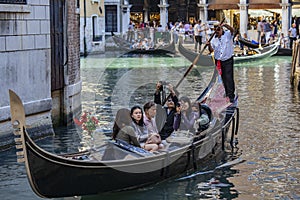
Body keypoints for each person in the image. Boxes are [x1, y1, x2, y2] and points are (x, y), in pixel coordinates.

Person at [207, 22, 236, 103]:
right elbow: (211, 50)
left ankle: (230, 95)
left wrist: (225, 25)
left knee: (229, 78)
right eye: (215, 30)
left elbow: (232, 30)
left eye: (218, 29)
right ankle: (226, 93)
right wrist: (208, 45)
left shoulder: (228, 34)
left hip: (228, 59)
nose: (217, 31)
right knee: (223, 78)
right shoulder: (213, 39)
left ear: (221, 29)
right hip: (218, 61)